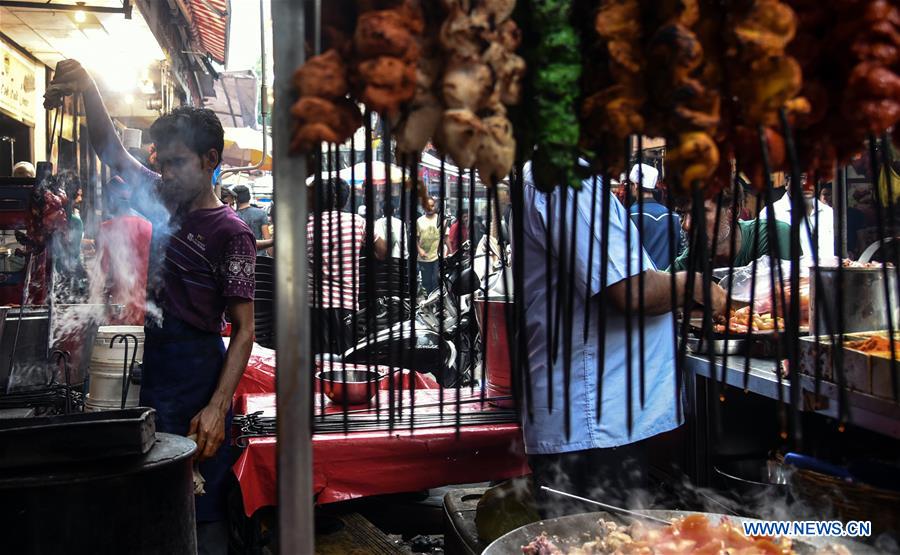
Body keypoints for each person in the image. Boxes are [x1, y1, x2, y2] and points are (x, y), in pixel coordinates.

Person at [45, 59, 256, 553]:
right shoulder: (164, 199)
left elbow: (243, 329)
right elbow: (111, 151)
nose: (165, 173)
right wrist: (89, 86)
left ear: (210, 159)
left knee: (196, 497)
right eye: (161, 162)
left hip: (197, 371)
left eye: (177, 163)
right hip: (152, 361)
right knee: (147, 489)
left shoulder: (232, 233)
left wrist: (217, 407)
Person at [520, 162, 727, 518]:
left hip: (599, 421)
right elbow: (630, 291)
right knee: (594, 542)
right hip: (593, 424)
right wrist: (698, 287)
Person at [671, 182, 791, 271]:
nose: (686, 225)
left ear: (732, 212)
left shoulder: (771, 236)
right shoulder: (686, 263)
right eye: (681, 214)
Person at [307, 178, 366, 355]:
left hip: (314, 302)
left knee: (319, 355)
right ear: (345, 199)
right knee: (347, 354)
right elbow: (382, 250)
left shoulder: (307, 225)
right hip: (347, 300)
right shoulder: (357, 222)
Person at [95, 176, 152, 325]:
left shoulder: (106, 228)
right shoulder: (148, 226)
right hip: (144, 307)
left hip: (117, 309)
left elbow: (102, 274)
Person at [758, 175, 835, 262]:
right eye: (800, 178)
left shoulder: (827, 212)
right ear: (786, 183)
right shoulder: (770, 213)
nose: (805, 183)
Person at [627, 163, 682, 270]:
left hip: (641, 281)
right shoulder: (674, 217)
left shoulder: (628, 216)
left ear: (636, 185)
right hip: (668, 281)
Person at [233, 184, 272, 256]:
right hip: (260, 259)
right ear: (249, 197)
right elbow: (267, 239)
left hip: (241, 257)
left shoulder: (232, 216)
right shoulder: (261, 213)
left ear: (236, 199)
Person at [417, 197, 441, 292]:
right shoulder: (419, 221)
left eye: (432, 205)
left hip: (437, 256)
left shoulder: (440, 219)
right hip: (424, 257)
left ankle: (435, 302)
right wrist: (419, 250)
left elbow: (445, 237)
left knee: (436, 280)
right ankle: (428, 302)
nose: (430, 208)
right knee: (426, 282)